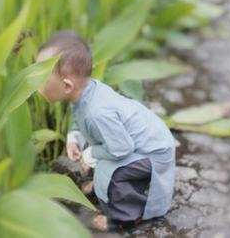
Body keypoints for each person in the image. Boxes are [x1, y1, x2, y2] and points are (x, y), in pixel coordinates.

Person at [36, 31, 176, 231]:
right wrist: (73, 138)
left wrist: (89, 153)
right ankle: (103, 186)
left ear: (67, 85)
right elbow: (80, 121)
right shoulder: (85, 93)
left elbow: (122, 149)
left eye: (40, 77)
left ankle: (124, 218)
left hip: (150, 153)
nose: (35, 84)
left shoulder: (97, 111)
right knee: (101, 161)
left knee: (116, 173)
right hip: (131, 142)